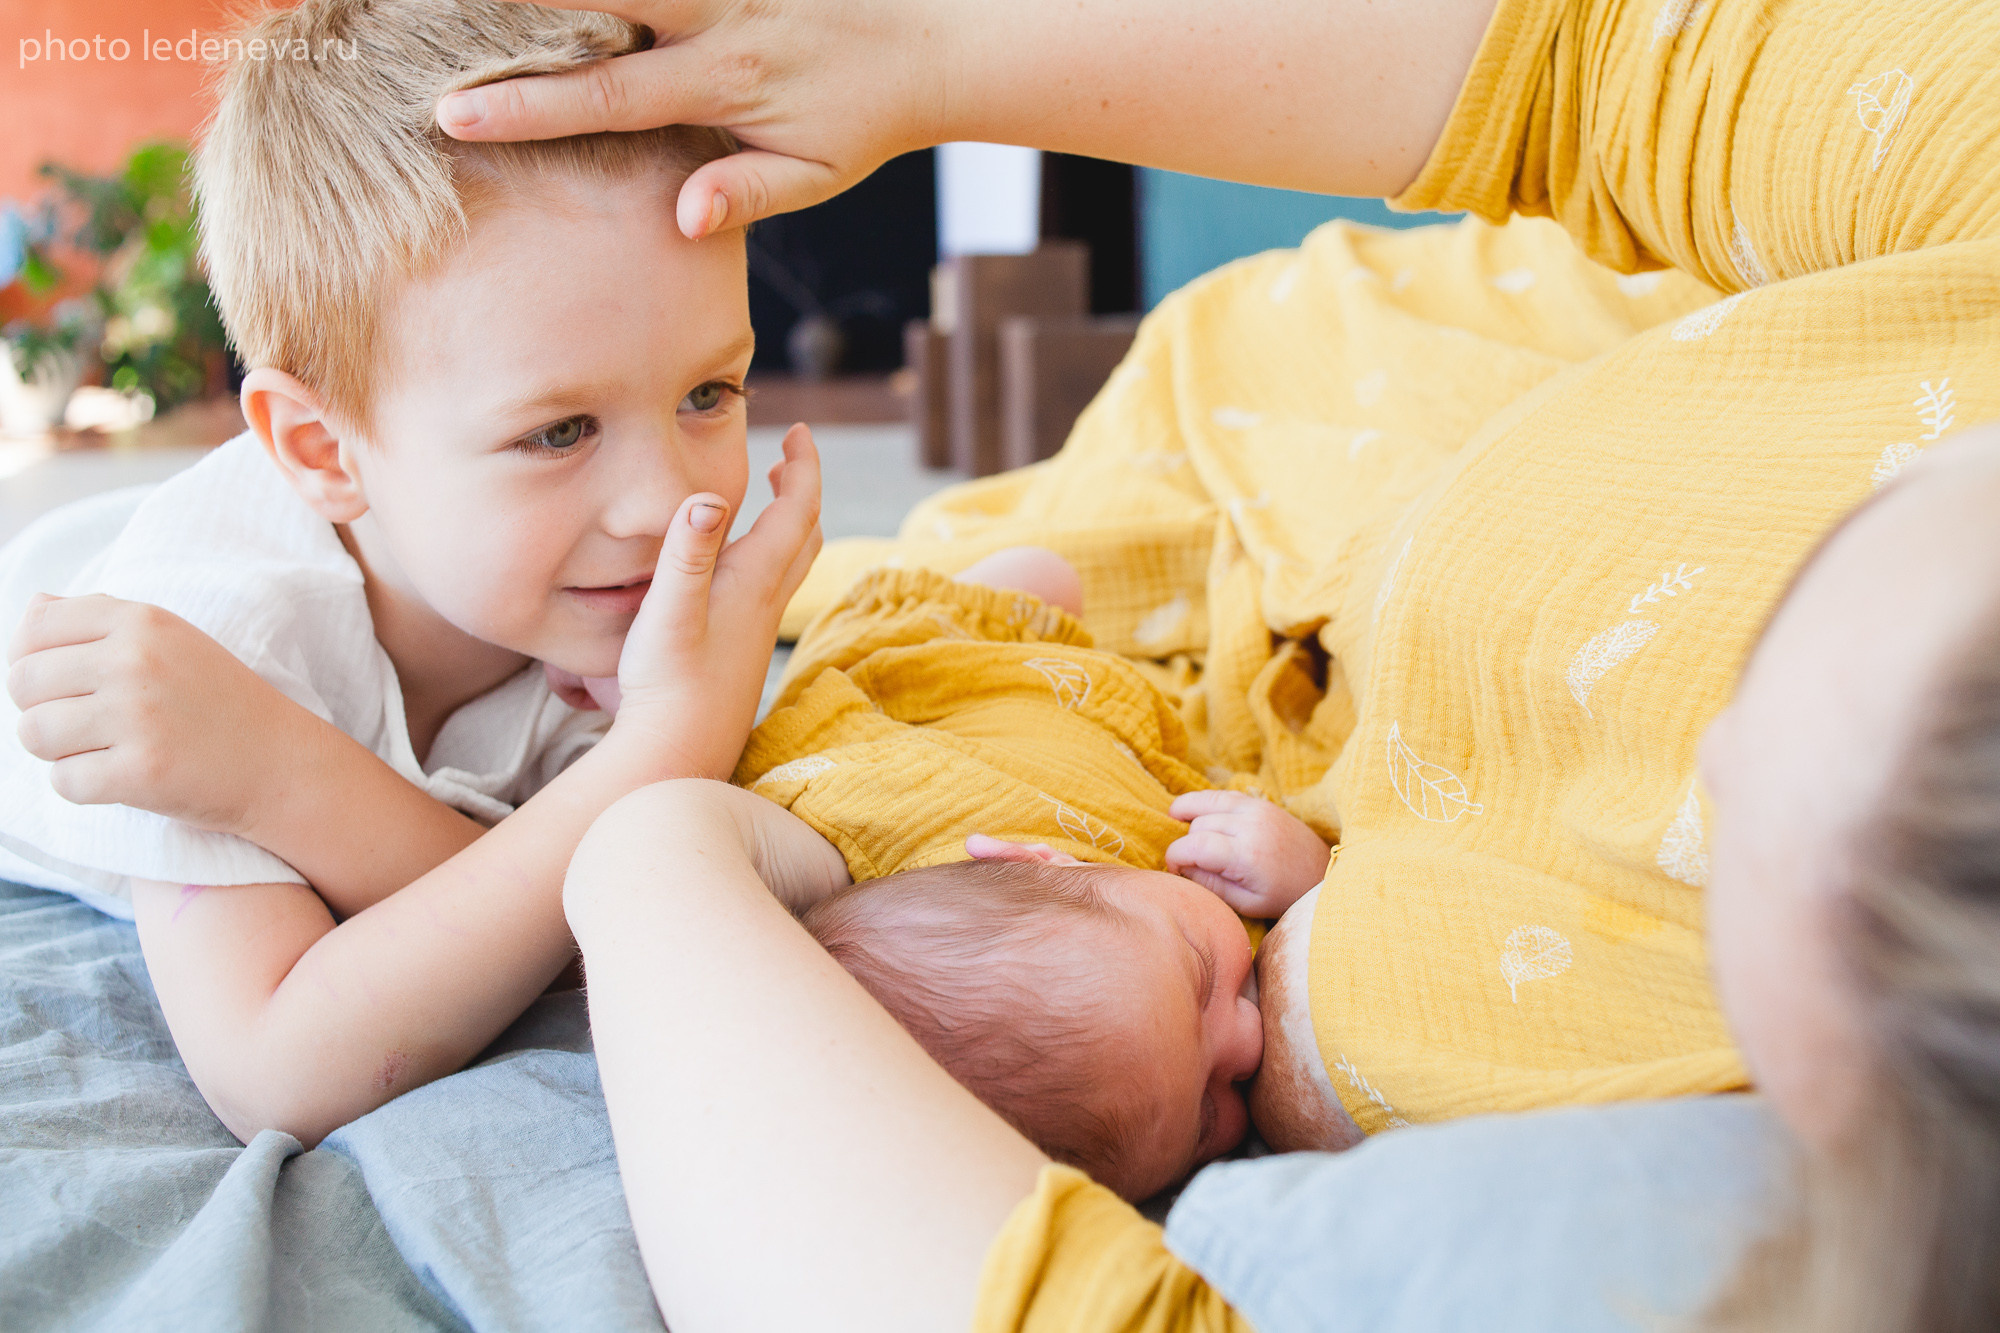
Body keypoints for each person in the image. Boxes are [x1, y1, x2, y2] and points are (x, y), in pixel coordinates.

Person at [473, 0, 2000, 1327]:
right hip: (1307, 473)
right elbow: (1581, 58)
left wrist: (652, 845)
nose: (1721, 745)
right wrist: (920, 53)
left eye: (1757, 825)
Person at [0, 0, 822, 1149]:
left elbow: (548, 925)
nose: (666, 502)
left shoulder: (612, 582)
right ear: (323, 451)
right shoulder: (212, 642)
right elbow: (277, 1069)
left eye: (707, 394)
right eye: (558, 431)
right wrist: (664, 750)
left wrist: (649, 748)